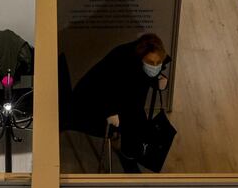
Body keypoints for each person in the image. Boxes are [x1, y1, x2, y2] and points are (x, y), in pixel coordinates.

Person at [69, 33, 171, 173]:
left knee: (136, 117)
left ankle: (132, 151)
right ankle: (129, 156)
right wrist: (110, 111)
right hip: (92, 102)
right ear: (141, 57)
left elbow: (145, 76)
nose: (155, 66)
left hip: (123, 97)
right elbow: (105, 86)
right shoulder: (121, 60)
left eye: (158, 63)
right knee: (133, 120)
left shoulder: (143, 57)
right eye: (151, 63)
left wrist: (159, 79)